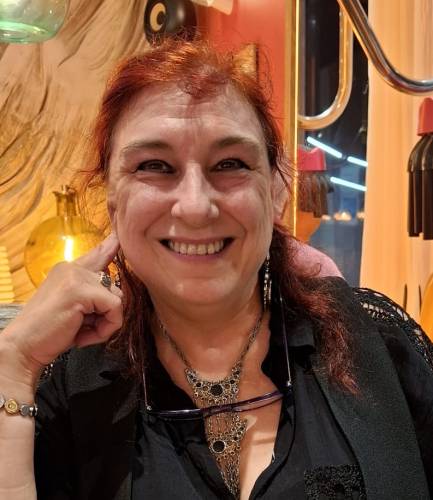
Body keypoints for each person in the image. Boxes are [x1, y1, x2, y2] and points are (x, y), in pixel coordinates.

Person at [0, 39, 432, 500]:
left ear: (277, 191)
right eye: (154, 166)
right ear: (112, 200)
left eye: (230, 164)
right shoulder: (66, 390)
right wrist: (13, 362)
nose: (195, 206)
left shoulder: (378, 344)